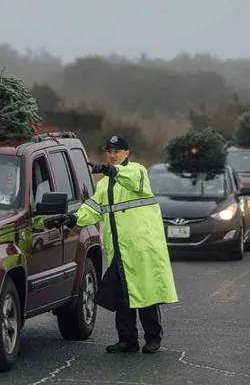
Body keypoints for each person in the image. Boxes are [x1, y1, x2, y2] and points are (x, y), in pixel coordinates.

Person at [47, 135, 178, 354]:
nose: (112, 155)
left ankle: (153, 338)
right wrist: (71, 219)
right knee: (121, 296)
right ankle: (127, 340)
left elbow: (129, 178)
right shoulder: (105, 184)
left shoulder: (137, 172)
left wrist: (111, 170)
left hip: (141, 248)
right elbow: (93, 210)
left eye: (117, 151)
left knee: (145, 294)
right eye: (109, 151)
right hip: (119, 249)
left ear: (127, 153)